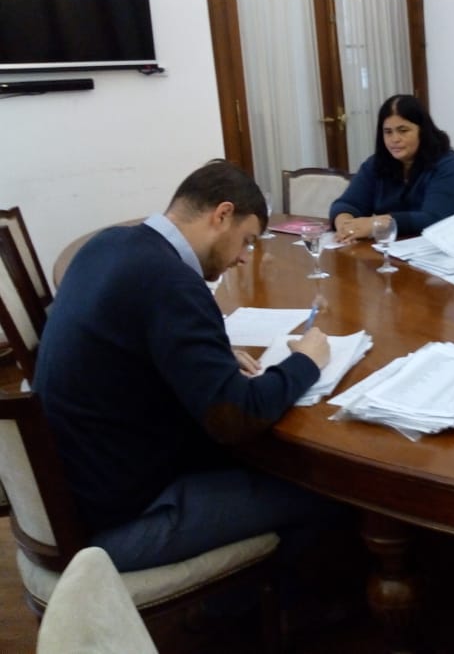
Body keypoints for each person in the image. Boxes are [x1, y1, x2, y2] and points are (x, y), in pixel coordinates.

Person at [35, 160, 343, 573]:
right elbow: (236, 417)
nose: (243, 258)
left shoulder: (108, 244)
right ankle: (261, 604)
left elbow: (134, 340)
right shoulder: (173, 283)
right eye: (247, 241)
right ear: (222, 214)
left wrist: (208, 354)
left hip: (74, 487)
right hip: (122, 520)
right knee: (324, 492)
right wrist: (305, 361)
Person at [331, 94, 454, 242]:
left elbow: (435, 218)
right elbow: (347, 203)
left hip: (440, 248)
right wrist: (345, 224)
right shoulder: (375, 164)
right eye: (388, 132)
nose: (394, 139)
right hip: (390, 248)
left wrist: (378, 224)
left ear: (422, 131)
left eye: (403, 130)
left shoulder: (447, 165)